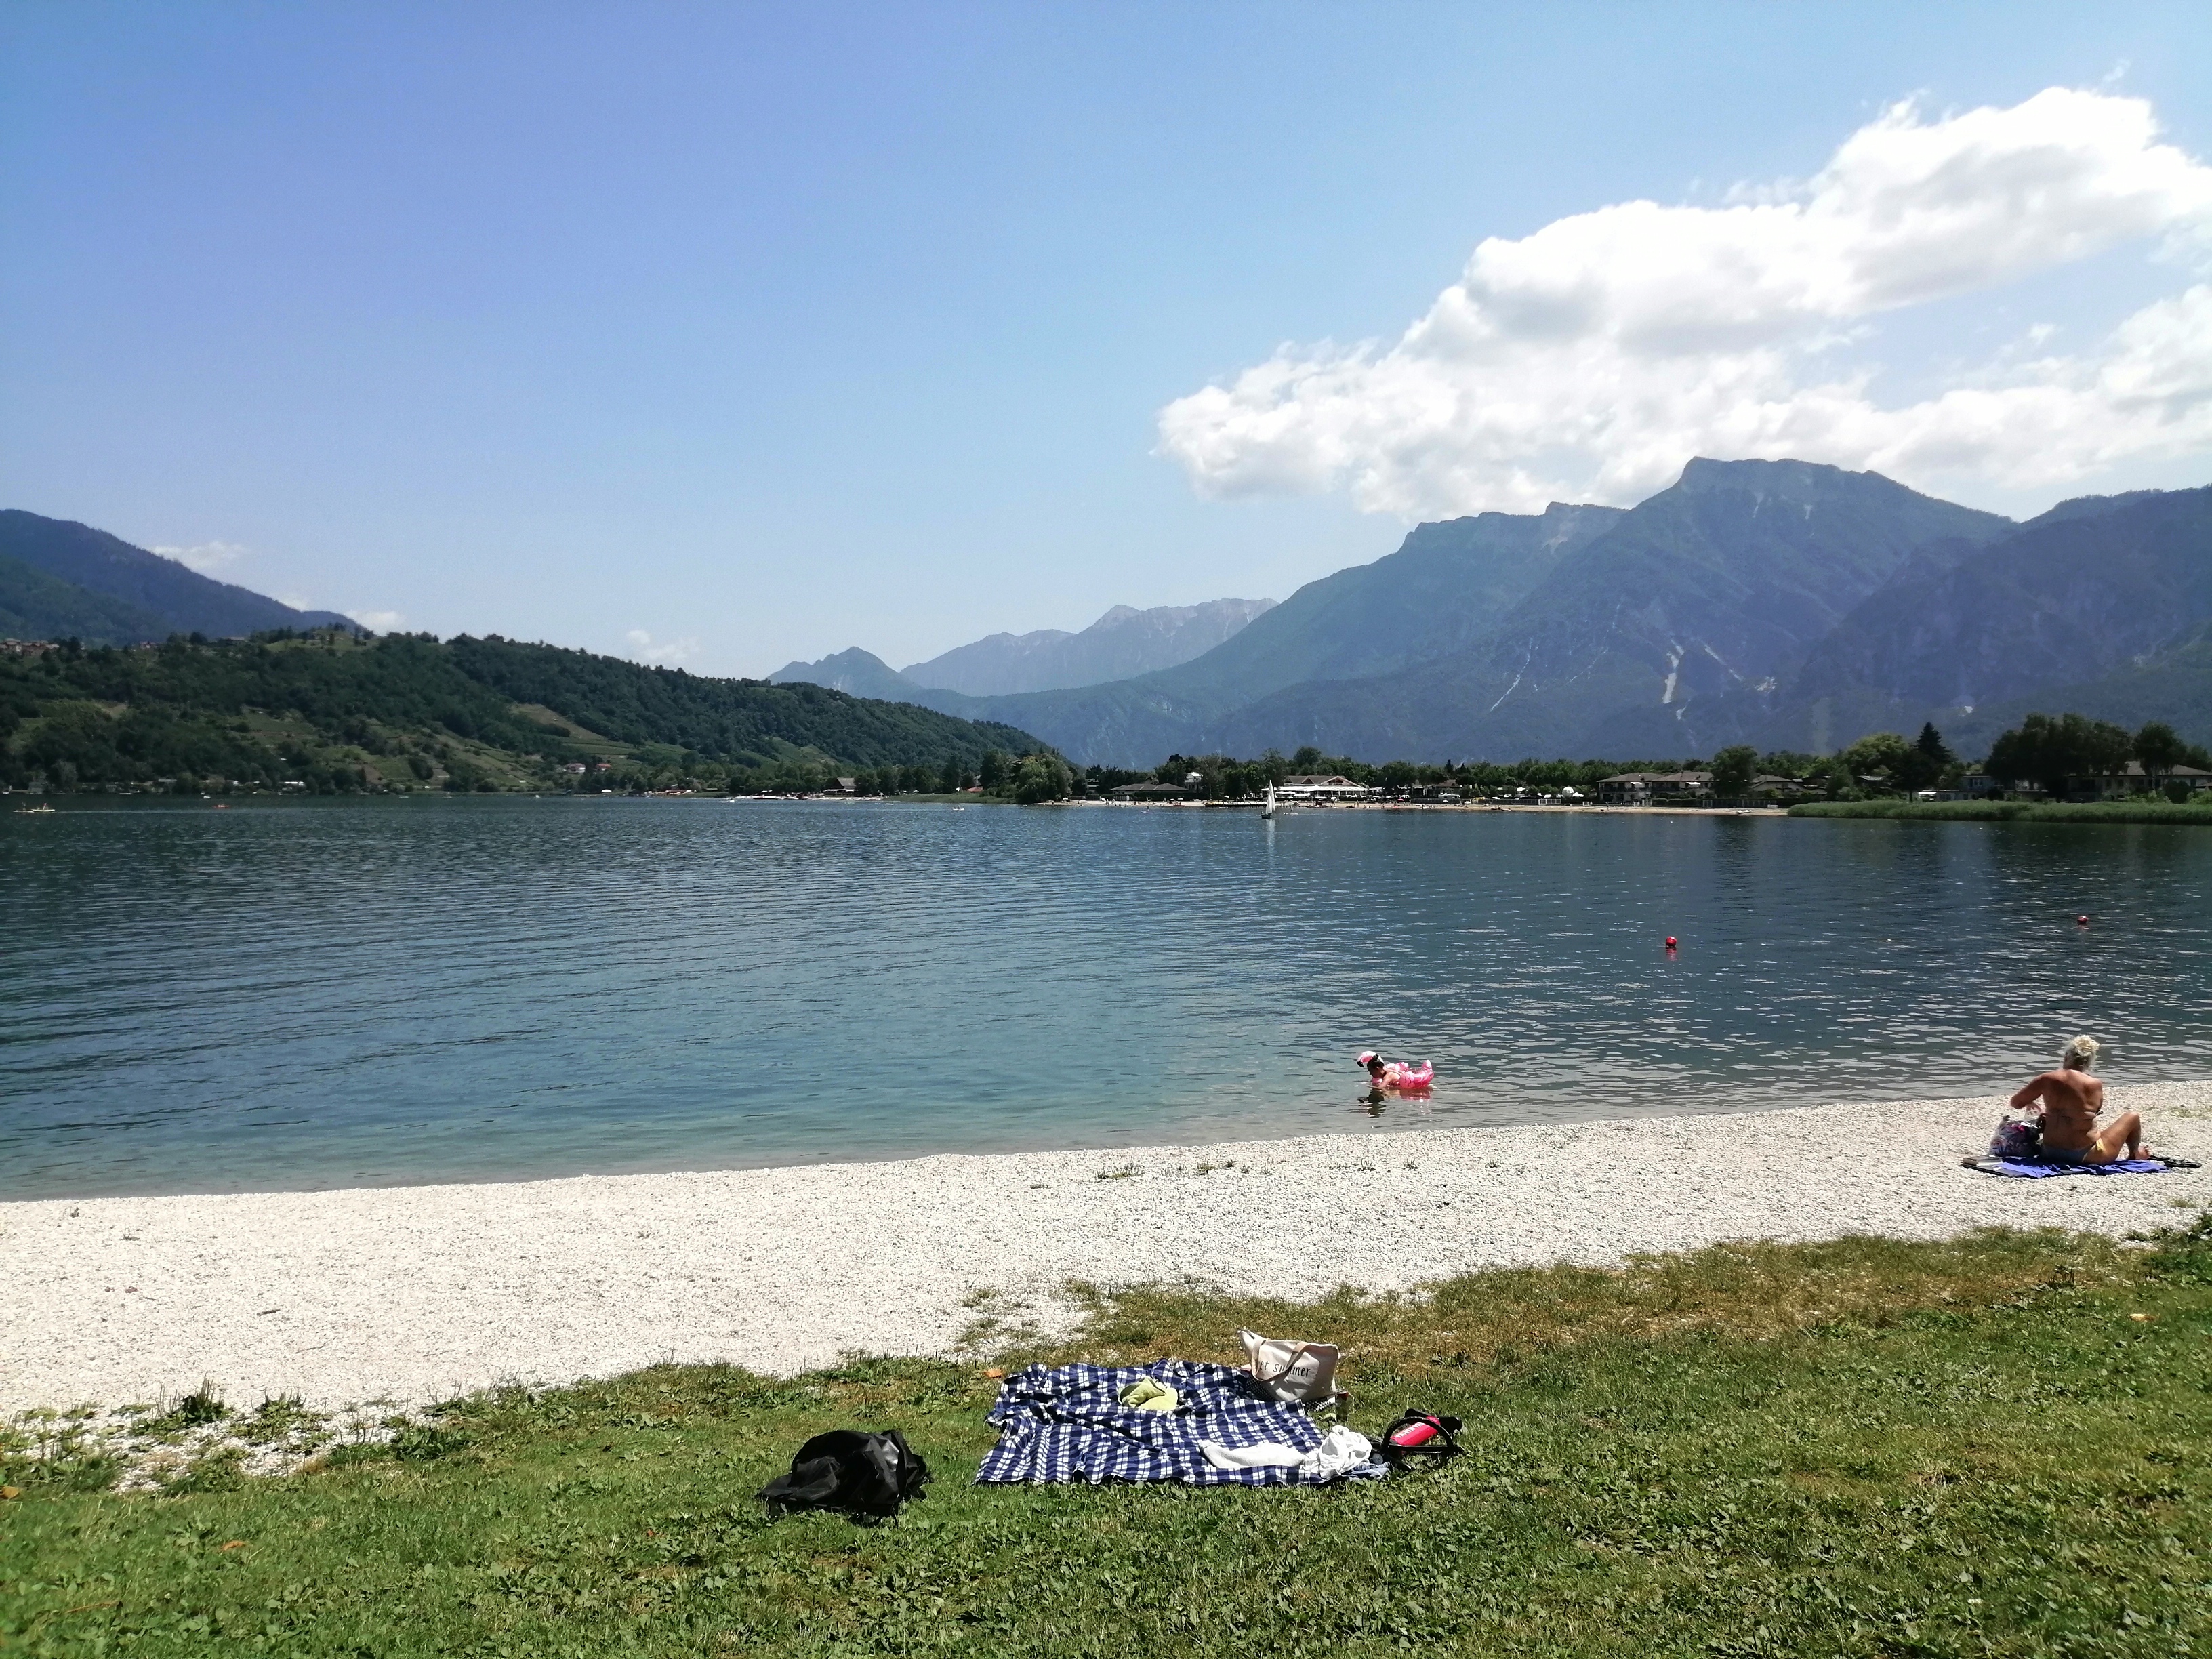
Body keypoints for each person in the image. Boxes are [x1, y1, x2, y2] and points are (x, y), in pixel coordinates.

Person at [2009, 1036, 2148, 1164]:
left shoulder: (2046, 1079)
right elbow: (2096, 1109)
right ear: (2089, 1063)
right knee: (2132, 1117)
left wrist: (2030, 1102)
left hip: (2049, 1152)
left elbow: (2016, 1103)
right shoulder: (2094, 1084)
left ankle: (2134, 1154)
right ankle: (2135, 1154)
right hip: (2087, 1155)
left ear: (2066, 1057)